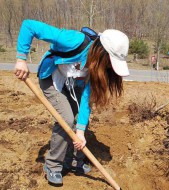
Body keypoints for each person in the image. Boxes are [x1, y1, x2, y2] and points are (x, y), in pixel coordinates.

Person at [14, 20, 130, 185]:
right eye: (111, 62)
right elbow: (28, 26)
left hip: (73, 83)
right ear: (102, 52)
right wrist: (21, 59)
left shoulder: (98, 68)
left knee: (80, 121)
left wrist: (81, 132)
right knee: (66, 119)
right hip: (52, 79)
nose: (110, 68)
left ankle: (74, 162)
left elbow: (86, 100)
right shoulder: (74, 40)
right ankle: (53, 166)